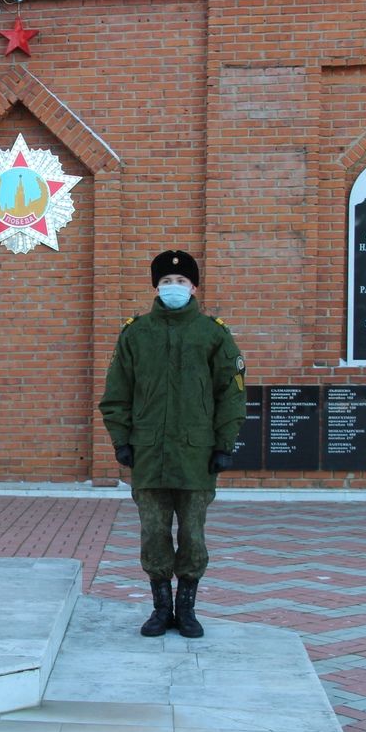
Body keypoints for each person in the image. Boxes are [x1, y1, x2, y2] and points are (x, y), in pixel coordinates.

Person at [98, 250, 246, 638]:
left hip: (196, 455)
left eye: (181, 282)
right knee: (154, 535)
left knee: (193, 536)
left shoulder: (213, 334)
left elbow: (230, 394)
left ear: (194, 286)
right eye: (166, 282)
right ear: (155, 287)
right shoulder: (136, 333)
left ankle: (188, 609)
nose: (174, 288)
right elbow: (117, 394)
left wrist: (223, 444)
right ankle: (161, 608)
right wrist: (122, 440)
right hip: (148, 455)